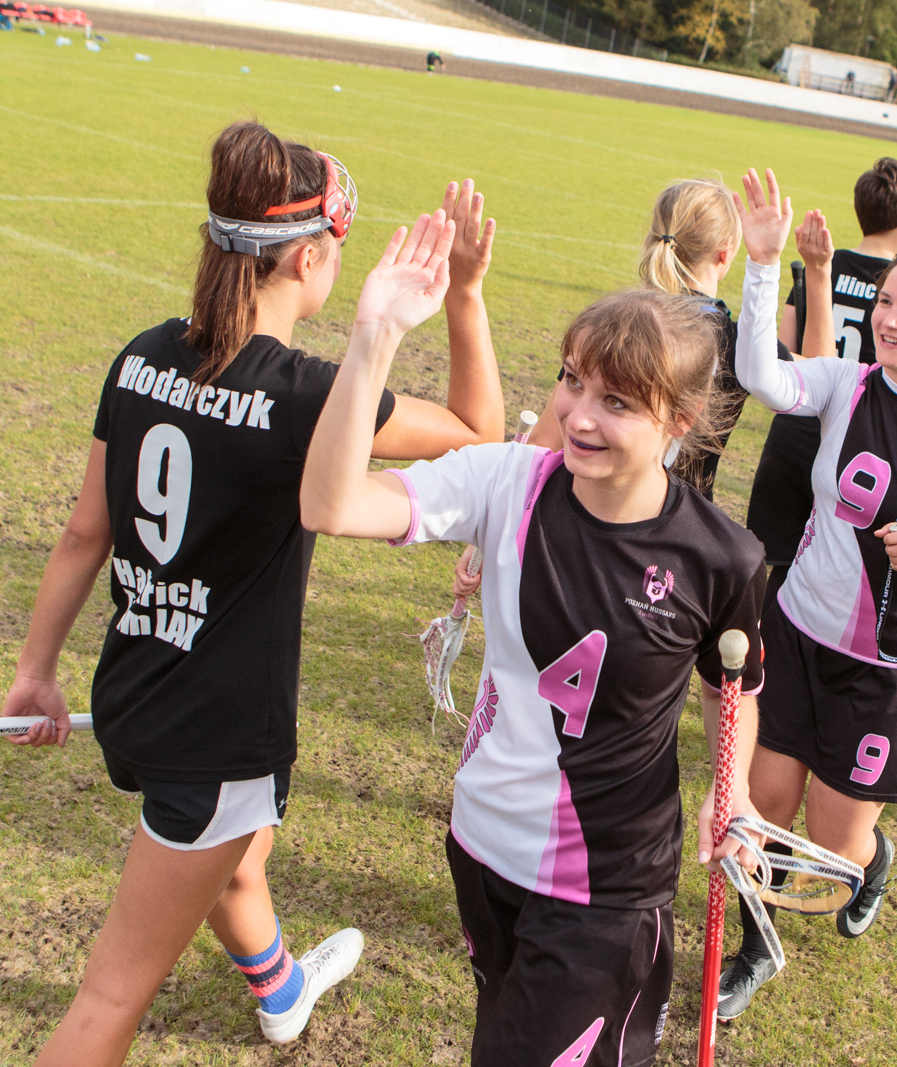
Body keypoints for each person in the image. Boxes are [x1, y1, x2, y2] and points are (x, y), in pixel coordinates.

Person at [0, 122, 505, 1067]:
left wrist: (36, 668)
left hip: (136, 692)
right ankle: (276, 985)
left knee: (238, 854)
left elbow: (82, 535)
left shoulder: (141, 354)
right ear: (310, 258)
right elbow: (480, 431)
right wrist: (467, 295)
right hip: (216, 735)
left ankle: (280, 988)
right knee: (109, 996)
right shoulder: (306, 394)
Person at [300, 256, 770, 1062]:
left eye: (616, 401)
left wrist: (735, 790)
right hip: (482, 846)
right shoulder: (506, 482)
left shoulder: (723, 558)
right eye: (572, 381)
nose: (578, 416)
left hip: (607, 888)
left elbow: (729, 689)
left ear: (681, 419)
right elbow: (332, 503)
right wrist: (373, 336)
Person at [719, 171, 897, 1017]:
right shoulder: (845, 384)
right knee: (762, 811)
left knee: (832, 847)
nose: (890, 318)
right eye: (887, 301)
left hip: (883, 667)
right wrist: (764, 265)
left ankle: (873, 857)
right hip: (796, 633)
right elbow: (761, 374)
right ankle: (754, 950)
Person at [528, 177, 817, 499]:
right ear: (725, 253)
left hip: (590, 506)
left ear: (653, 238)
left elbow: (543, 443)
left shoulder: (612, 321)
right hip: (680, 519)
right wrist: (818, 270)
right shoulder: (740, 341)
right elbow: (823, 377)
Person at [747, 156, 897, 599]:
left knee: (775, 566)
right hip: (853, 448)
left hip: (794, 432)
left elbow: (786, 354)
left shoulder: (825, 263)